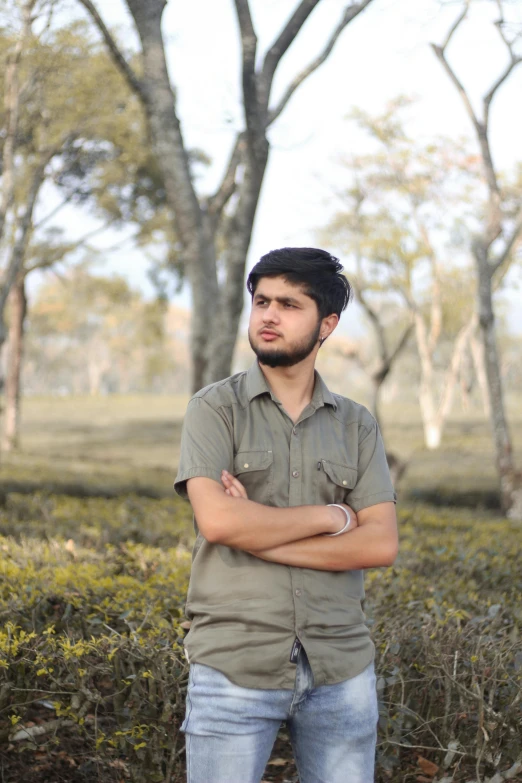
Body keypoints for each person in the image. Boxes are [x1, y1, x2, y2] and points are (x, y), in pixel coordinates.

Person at [174, 247, 398, 783]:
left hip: (340, 667)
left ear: (327, 324)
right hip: (234, 664)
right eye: (261, 301)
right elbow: (220, 524)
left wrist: (258, 528)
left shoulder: (357, 425)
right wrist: (331, 516)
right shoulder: (214, 409)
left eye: (289, 304)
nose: (268, 315)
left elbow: (379, 546)